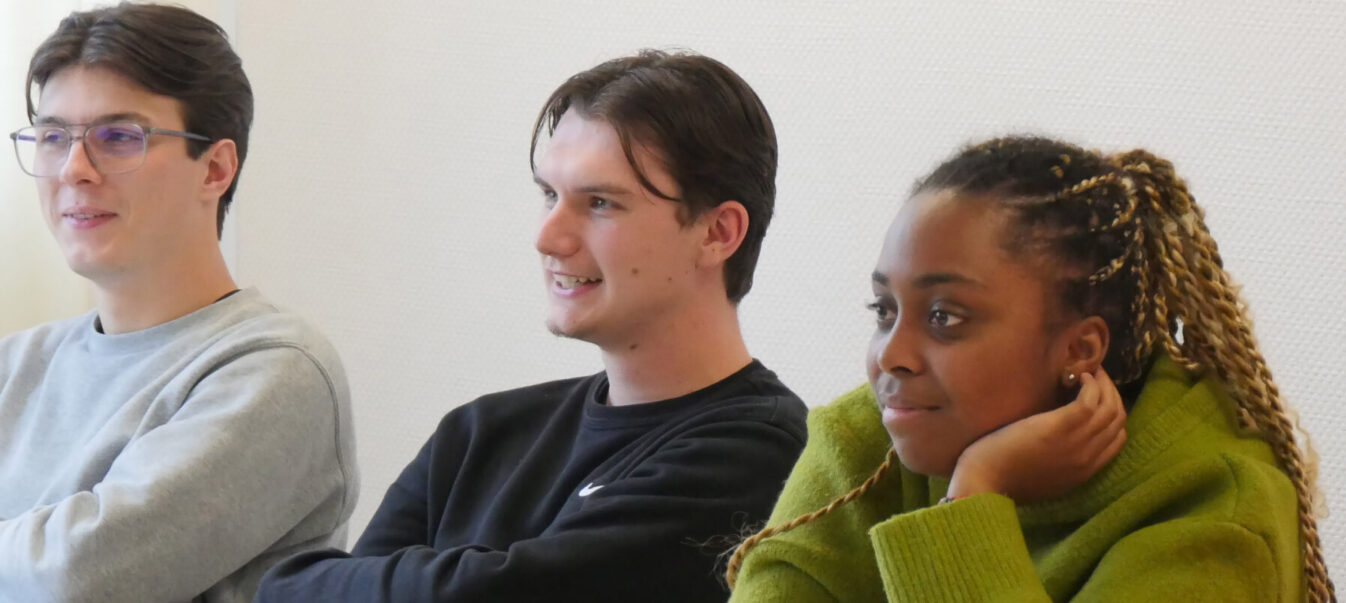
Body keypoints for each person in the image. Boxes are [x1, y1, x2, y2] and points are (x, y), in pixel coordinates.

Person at [256, 49, 807, 603]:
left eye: (600, 203)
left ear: (718, 233)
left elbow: (502, 596)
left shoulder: (757, 454)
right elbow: (290, 592)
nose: (547, 238)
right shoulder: (478, 435)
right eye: (549, 195)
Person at [726, 135, 1334, 602]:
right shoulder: (874, 437)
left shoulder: (1213, 515)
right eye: (884, 310)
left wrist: (974, 495)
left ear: (1079, 350)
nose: (891, 355)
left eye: (944, 317)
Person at [0, 4, 357, 602]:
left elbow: (78, 577)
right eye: (54, 137)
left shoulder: (275, 370)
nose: (74, 169)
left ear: (214, 168)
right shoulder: (15, 366)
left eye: (119, 137)